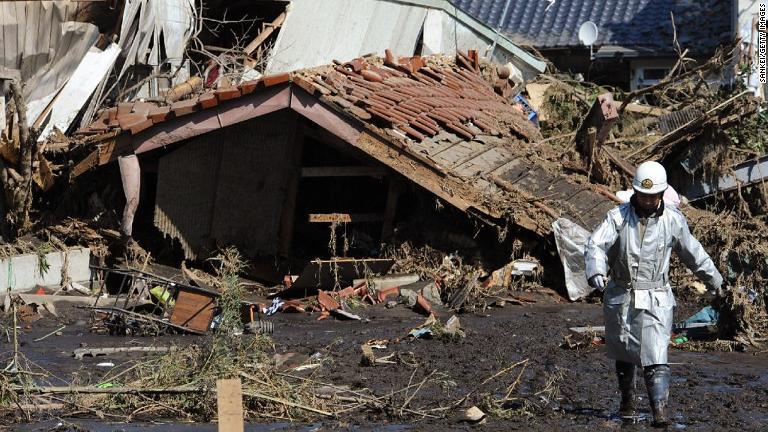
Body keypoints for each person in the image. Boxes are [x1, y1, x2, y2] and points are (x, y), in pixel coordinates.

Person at [584, 161, 723, 426]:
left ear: (661, 194)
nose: (648, 201)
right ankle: (626, 402)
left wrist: (717, 284)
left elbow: (694, 254)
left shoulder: (673, 220)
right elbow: (595, 245)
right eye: (643, 195)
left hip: (656, 294)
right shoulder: (617, 217)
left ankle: (660, 411)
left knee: (656, 354)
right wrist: (596, 271)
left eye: (653, 195)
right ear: (636, 192)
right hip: (621, 293)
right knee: (624, 351)